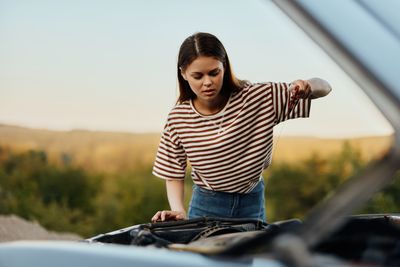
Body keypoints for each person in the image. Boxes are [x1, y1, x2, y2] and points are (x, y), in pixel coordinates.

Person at [151, 32, 331, 223]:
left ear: (225, 67)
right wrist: (178, 210)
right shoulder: (178, 118)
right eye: (198, 76)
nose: (207, 82)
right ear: (183, 74)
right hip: (206, 204)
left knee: (250, 252)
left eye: (214, 73)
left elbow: (325, 87)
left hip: (251, 201)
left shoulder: (259, 98)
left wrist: (307, 85)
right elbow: (172, 172)